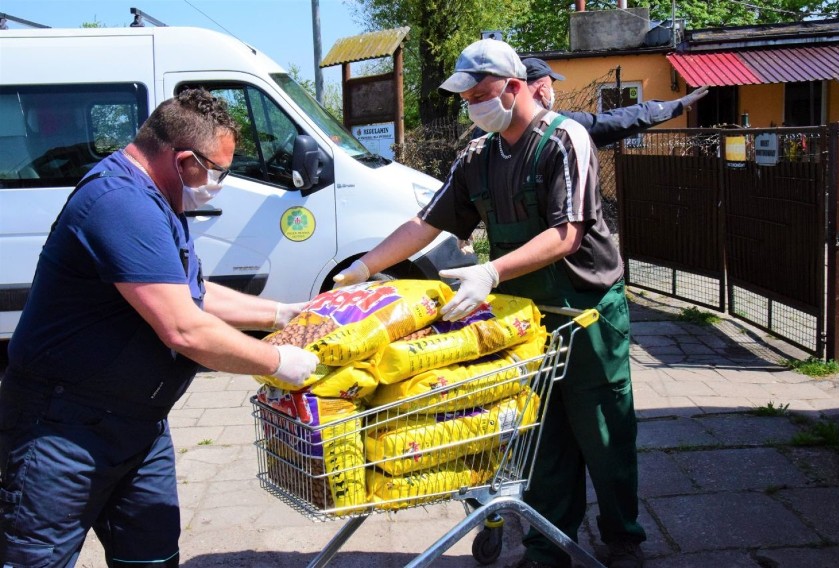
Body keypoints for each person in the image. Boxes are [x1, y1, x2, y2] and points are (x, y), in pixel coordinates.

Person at [334, 39, 645, 567]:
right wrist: (363, 267)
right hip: (523, 320)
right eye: (467, 98)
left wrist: (491, 269)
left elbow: (566, 234)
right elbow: (425, 224)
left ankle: (621, 538)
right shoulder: (477, 157)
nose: (473, 106)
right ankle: (548, 546)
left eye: (482, 94)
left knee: (603, 429)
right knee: (538, 434)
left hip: (586, 311)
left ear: (516, 87)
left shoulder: (564, 140)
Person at [0, 88, 318, 568]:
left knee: (151, 558)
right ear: (184, 159)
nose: (220, 183)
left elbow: (192, 292)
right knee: (35, 561)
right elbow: (184, 328)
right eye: (218, 171)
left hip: (138, 424)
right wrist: (279, 363)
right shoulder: (119, 202)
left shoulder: (157, 199)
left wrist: (280, 314)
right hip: (63, 430)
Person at [522, 56, 709, 147]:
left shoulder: (501, 132)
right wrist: (674, 105)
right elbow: (619, 120)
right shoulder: (561, 128)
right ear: (542, 89)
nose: (553, 92)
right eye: (551, 85)